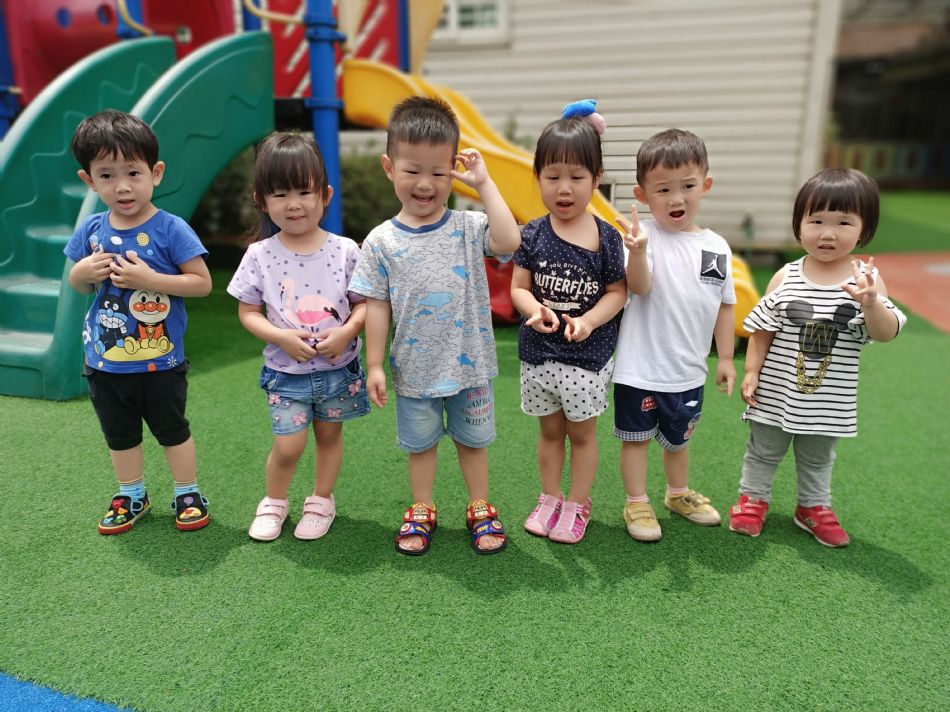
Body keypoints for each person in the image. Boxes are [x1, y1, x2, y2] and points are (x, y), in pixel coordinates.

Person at [349, 96, 521, 555]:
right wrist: (375, 364)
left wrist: (484, 184)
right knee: (420, 445)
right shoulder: (380, 241)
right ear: (389, 167)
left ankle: (480, 505)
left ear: (454, 172)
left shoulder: (468, 226)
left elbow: (509, 240)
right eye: (412, 170)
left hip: (470, 367)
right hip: (414, 369)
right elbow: (376, 305)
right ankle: (422, 506)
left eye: (439, 173)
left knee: (473, 442)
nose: (425, 184)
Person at [729, 168, 906, 547]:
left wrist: (872, 303)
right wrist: (751, 371)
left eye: (843, 222)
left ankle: (812, 506)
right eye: (817, 221)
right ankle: (752, 499)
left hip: (829, 400)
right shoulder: (786, 276)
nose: (828, 233)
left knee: (817, 458)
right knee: (763, 451)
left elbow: (885, 332)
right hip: (776, 393)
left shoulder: (867, 280)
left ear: (864, 229)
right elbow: (763, 330)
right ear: (799, 225)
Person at [64, 110, 213, 534]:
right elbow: (78, 284)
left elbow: (201, 284)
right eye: (107, 176)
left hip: (160, 362)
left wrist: (151, 280)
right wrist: (82, 272)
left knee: (173, 430)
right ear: (89, 180)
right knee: (119, 435)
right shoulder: (91, 230)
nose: (122, 186)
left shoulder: (171, 229)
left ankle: (187, 492)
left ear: (155, 173)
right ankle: (131, 494)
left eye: (133, 172)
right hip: (104, 361)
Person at [227, 132, 369, 542]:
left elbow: (364, 305)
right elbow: (247, 312)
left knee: (329, 436)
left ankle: (321, 500)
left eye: (304, 192)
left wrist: (347, 331)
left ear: (325, 195)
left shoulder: (346, 251)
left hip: (339, 370)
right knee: (288, 446)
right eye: (280, 194)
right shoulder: (259, 255)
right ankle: (274, 501)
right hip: (285, 373)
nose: (293, 204)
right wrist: (281, 337)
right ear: (261, 201)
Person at [612, 128, 736, 542]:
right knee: (636, 442)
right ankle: (636, 501)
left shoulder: (717, 246)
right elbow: (640, 286)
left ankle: (677, 494)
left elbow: (725, 305)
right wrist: (637, 252)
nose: (676, 198)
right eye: (663, 189)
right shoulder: (642, 238)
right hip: (640, 370)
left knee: (678, 441)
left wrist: (725, 358)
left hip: (688, 371)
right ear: (643, 194)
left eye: (687, 186)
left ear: (707, 185)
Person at [511, 101, 627, 544]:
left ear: (596, 179)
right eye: (552, 176)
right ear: (538, 177)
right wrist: (533, 310)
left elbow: (618, 292)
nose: (564, 188)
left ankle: (577, 503)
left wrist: (590, 321)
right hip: (539, 354)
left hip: (586, 358)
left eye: (577, 177)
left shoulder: (606, 236)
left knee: (581, 435)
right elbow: (519, 288)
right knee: (549, 432)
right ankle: (550, 497)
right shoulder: (532, 233)